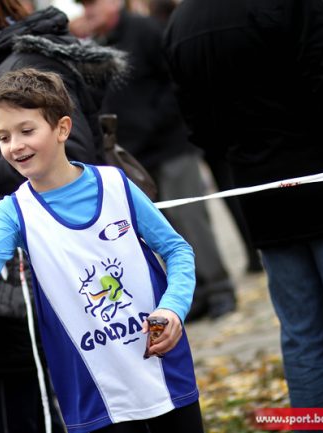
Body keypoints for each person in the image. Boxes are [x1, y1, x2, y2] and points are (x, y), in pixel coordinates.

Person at [0, 68, 204, 433]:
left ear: (62, 128)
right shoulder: (12, 211)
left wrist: (172, 308)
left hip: (162, 364)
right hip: (93, 388)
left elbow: (177, 250)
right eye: (3, 137)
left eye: (26, 131)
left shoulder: (114, 183)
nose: (15, 146)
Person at [164, 0, 323, 409]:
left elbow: (200, 128)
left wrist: (249, 152)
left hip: (262, 194)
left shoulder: (183, 21)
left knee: (302, 334)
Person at [0, 1, 126, 430]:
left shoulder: (23, 61)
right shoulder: (10, 58)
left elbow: (69, 157)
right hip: (63, 253)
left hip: (72, 257)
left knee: (98, 389)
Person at [77, 0, 238, 319]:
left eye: (92, 3)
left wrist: (154, 120)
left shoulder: (144, 29)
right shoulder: (97, 46)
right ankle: (193, 295)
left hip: (170, 144)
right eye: (83, 5)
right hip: (135, 155)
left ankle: (219, 288)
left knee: (191, 221)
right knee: (162, 229)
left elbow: (175, 80)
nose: (87, 11)